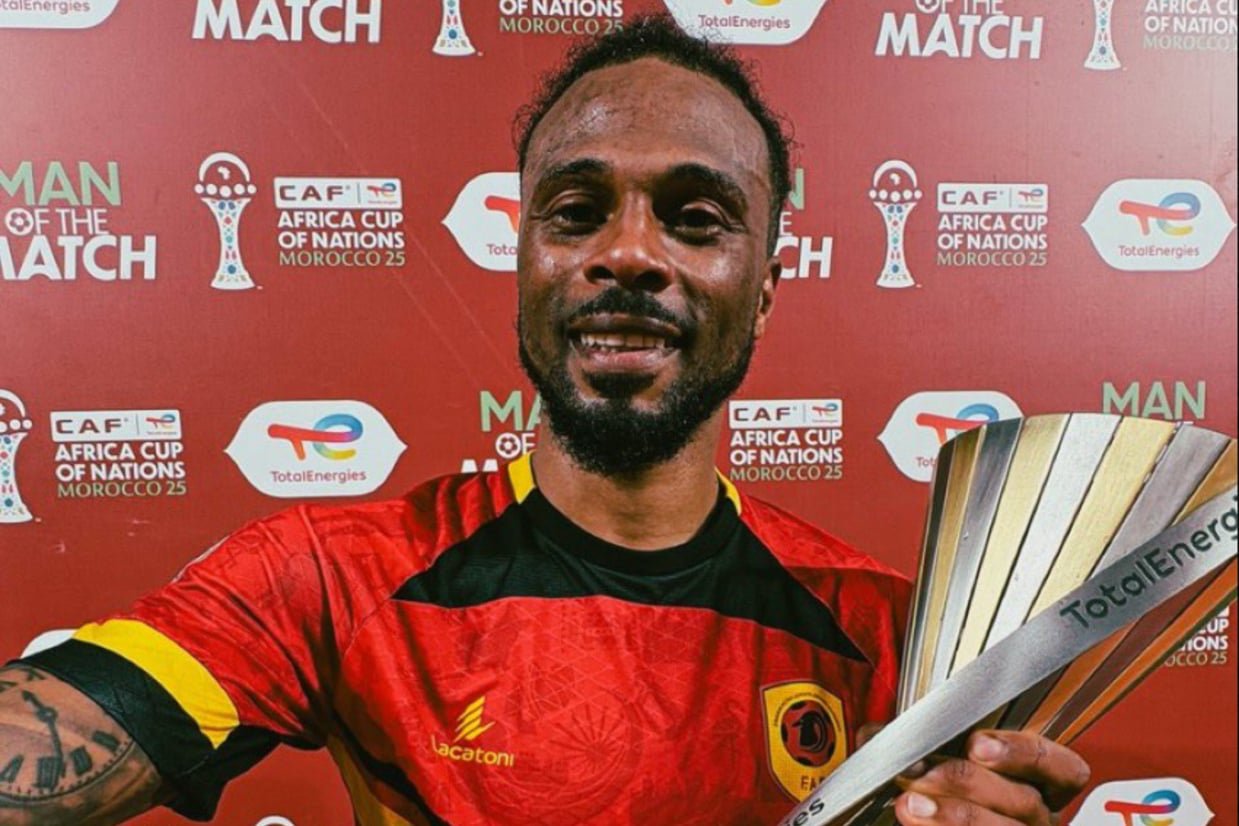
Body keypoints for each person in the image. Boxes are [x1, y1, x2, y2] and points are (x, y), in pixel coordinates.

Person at [0, 14, 1089, 826]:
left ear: (764, 286)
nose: (629, 253)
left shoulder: (896, 639)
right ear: (523, 263)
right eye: (576, 211)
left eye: (694, 217)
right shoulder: (330, 577)